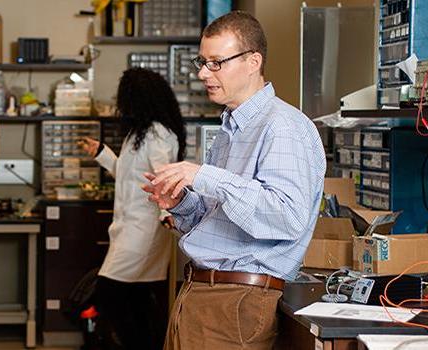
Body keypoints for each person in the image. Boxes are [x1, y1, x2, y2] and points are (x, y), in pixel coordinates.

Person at [141, 11, 326, 350]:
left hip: (236, 300)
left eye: (216, 63)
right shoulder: (230, 131)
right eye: (203, 62)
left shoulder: (282, 127)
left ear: (253, 61)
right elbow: (220, 220)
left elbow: (286, 217)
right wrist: (181, 202)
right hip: (202, 293)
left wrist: (204, 175)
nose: (202, 73)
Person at [77, 68, 187, 350]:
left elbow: (164, 178)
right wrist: (102, 153)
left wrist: (166, 216)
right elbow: (130, 177)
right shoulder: (138, 134)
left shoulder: (158, 134)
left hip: (145, 231)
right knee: (137, 300)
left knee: (109, 291)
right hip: (128, 228)